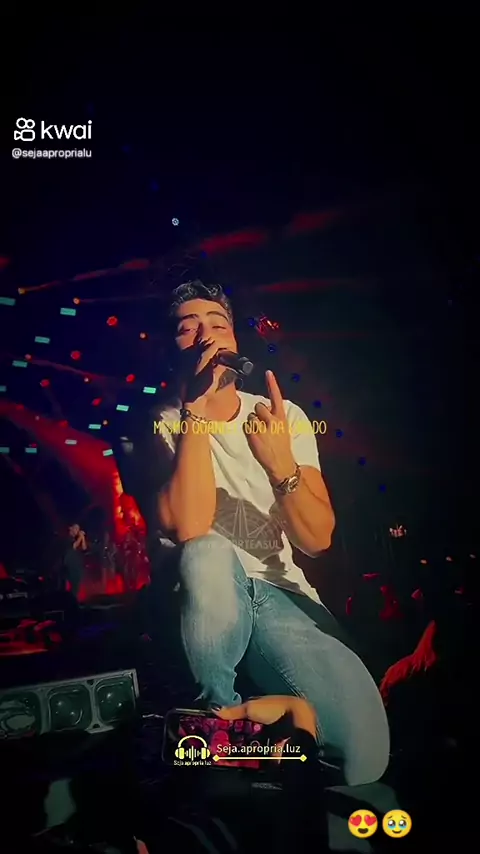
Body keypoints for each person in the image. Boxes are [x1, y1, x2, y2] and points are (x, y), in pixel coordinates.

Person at [148, 280, 389, 787]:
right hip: (208, 594)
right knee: (208, 551)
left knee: (365, 756)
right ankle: (215, 714)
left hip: (280, 592)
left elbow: (317, 540)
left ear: (235, 340)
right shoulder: (158, 423)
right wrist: (195, 412)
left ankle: (242, 730)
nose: (206, 336)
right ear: (170, 348)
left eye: (218, 325)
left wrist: (282, 468)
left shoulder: (284, 416)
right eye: (188, 328)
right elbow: (189, 527)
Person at [63, 523, 87, 600]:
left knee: (76, 588)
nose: (77, 530)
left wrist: (83, 538)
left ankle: (74, 601)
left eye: (78, 529)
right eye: (76, 528)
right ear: (71, 528)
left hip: (77, 567)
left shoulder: (77, 539)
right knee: (71, 587)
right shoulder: (67, 538)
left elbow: (84, 548)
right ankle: (70, 602)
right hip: (70, 567)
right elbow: (73, 546)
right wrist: (80, 537)